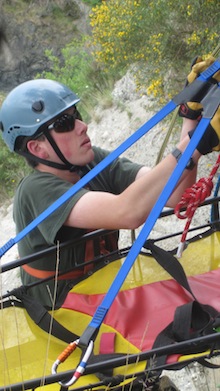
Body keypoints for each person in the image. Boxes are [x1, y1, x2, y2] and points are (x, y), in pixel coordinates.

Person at [0, 58, 219, 309]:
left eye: (77, 116)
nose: (83, 126)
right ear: (37, 148)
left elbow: (174, 195)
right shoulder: (35, 190)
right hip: (61, 314)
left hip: (102, 294)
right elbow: (126, 212)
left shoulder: (91, 162)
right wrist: (196, 143)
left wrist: (191, 118)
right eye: (64, 123)